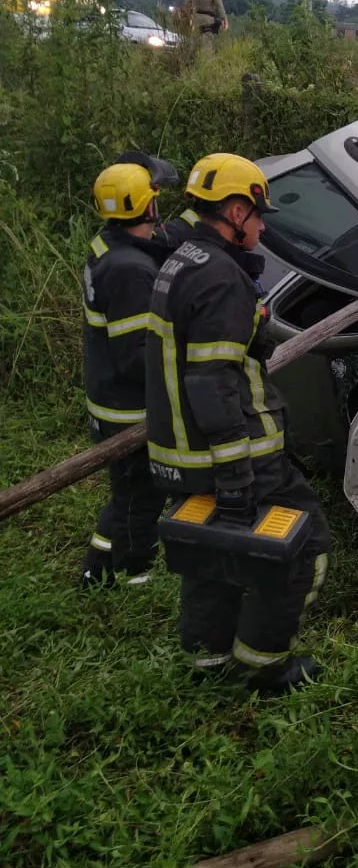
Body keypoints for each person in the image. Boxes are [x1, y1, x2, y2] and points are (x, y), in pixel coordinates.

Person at [144, 152, 330, 692]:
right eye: (257, 213)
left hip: (180, 452)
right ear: (232, 210)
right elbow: (212, 382)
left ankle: (208, 667)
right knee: (302, 550)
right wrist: (235, 476)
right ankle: (265, 666)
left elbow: (195, 353)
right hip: (236, 454)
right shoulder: (223, 278)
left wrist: (252, 319)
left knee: (208, 557)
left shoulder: (182, 261)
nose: (263, 225)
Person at [79, 156, 178, 587]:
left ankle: (100, 565)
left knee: (128, 493)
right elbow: (138, 357)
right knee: (139, 495)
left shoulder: (108, 247)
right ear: (149, 207)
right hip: (127, 408)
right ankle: (127, 573)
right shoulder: (132, 271)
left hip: (106, 396)